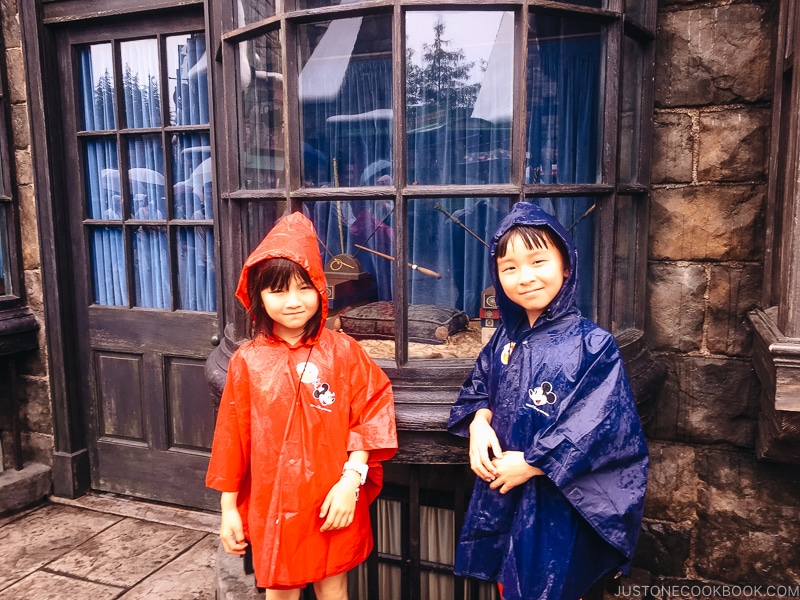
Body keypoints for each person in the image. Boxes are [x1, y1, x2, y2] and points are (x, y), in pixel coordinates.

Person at [447, 202, 649, 600]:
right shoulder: (505, 338)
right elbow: (480, 386)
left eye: (538, 261)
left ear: (566, 265)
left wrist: (533, 463)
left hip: (558, 500)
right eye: (510, 268)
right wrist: (478, 422)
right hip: (505, 488)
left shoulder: (593, 345)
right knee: (510, 578)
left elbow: (599, 424)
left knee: (549, 584)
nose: (525, 277)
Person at [206, 212, 398, 599]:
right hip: (273, 502)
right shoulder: (247, 360)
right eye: (278, 291)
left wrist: (351, 481)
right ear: (257, 295)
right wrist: (229, 509)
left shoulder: (344, 352)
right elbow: (233, 438)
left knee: (334, 587)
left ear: (321, 290)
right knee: (281, 589)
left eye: (304, 288)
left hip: (334, 496)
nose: (293, 302)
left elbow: (371, 413)